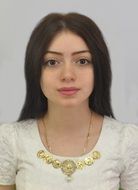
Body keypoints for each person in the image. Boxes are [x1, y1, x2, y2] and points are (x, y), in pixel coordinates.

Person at [0, 12, 138, 190]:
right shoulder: (10, 139)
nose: (67, 75)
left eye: (82, 61)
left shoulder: (126, 141)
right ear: (35, 70)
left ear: (99, 69)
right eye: (52, 62)